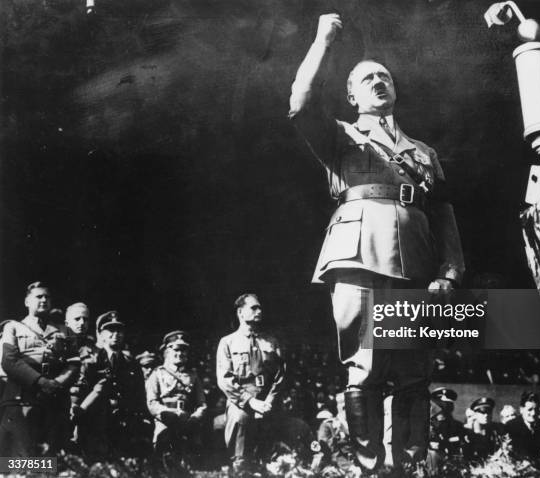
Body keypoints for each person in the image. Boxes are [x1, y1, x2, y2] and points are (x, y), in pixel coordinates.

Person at [289, 13, 464, 470]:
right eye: (367, 78)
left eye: (384, 76)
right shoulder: (341, 135)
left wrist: (450, 270)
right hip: (359, 256)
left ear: (395, 89)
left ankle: (409, 467)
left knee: (413, 375)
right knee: (365, 369)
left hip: (416, 265)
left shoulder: (423, 152)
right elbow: (301, 104)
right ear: (352, 95)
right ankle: (369, 468)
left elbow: (443, 213)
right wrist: (323, 40)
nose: (377, 81)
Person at [0, 282, 80, 456]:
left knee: (52, 461)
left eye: (47, 297)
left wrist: (56, 383)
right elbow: (9, 361)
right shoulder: (12, 327)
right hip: (22, 401)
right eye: (39, 296)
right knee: (21, 460)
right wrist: (41, 382)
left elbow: (74, 363)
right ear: (27, 302)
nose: (44, 299)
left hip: (54, 402)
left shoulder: (65, 331)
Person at [216, 293, 286, 470]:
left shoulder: (271, 341)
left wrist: (269, 401)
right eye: (254, 308)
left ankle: (273, 464)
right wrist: (250, 401)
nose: (259, 311)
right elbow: (224, 379)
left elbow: (281, 375)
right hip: (241, 400)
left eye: (260, 307)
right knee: (240, 418)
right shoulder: (228, 342)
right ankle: (240, 465)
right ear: (240, 312)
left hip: (269, 399)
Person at [75, 311, 150, 458]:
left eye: (119, 330)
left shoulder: (131, 362)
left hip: (124, 421)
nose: (115, 334)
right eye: (110, 330)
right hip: (96, 421)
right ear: (101, 334)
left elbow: (139, 394)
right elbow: (81, 389)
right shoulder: (91, 360)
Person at [146, 330, 207, 455]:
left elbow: (202, 403)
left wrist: (196, 416)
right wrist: (166, 413)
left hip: (188, 419)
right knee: (163, 443)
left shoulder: (193, 376)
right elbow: (152, 402)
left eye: (183, 350)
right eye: (176, 350)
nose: (180, 353)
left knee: (195, 449)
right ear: (167, 352)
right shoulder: (157, 374)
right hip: (166, 419)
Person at [505, 391, 540, 459]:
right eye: (530, 410)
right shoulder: (511, 427)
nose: (533, 413)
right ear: (521, 410)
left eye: (536, 409)